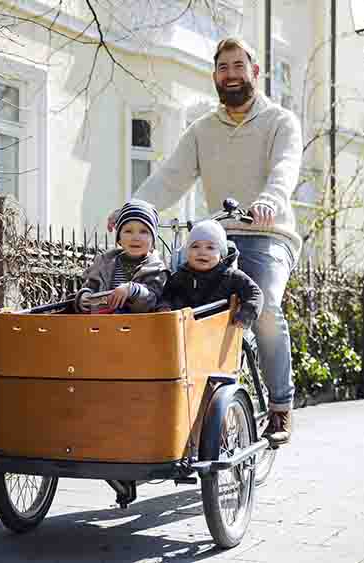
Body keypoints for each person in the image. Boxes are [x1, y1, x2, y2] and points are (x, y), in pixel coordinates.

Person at [108, 37, 302, 445]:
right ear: (215, 76)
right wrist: (134, 207)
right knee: (167, 294)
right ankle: (177, 397)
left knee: (264, 302)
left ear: (255, 72)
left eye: (238, 66)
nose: (231, 75)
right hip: (217, 236)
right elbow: (170, 177)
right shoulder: (203, 130)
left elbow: (284, 169)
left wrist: (268, 200)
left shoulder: (280, 121)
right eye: (223, 68)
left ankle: (281, 408)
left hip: (268, 233)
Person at [158, 220, 263, 330]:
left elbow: (254, 293)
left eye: (210, 248)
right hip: (185, 332)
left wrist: (245, 316)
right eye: (195, 246)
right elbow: (166, 295)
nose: (202, 252)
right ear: (187, 251)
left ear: (221, 253)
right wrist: (164, 308)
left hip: (219, 333)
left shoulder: (230, 276)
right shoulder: (179, 276)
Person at [77, 200, 168, 314]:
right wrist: (84, 296)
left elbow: (152, 300)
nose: (135, 237)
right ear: (119, 239)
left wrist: (132, 290)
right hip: (100, 326)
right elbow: (90, 286)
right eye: (128, 231)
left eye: (143, 232)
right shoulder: (104, 264)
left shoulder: (156, 269)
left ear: (153, 240)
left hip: (138, 327)